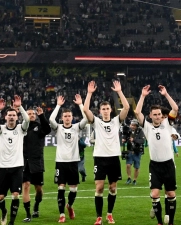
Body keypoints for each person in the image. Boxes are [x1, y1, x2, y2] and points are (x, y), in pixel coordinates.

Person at [83, 80, 130, 225]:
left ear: (110, 110)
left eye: (107, 108)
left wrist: (119, 92)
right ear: (100, 111)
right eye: (102, 109)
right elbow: (85, 110)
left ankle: (109, 214)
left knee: (112, 187)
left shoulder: (116, 121)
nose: (105, 110)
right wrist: (89, 94)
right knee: (99, 187)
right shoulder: (96, 121)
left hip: (114, 158)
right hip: (100, 158)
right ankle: (99, 217)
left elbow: (127, 107)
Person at [135, 85, 179, 225]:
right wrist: (142, 96)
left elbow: (175, 109)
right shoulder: (146, 127)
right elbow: (137, 112)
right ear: (150, 116)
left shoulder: (167, 123)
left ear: (162, 115)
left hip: (169, 165)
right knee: (155, 194)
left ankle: (170, 221)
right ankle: (160, 222)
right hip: (155, 166)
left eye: (159, 114)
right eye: (155, 114)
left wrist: (166, 94)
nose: (158, 116)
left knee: (171, 194)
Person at [49, 95, 88, 223]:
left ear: (72, 117)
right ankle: (61, 214)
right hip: (60, 163)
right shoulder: (58, 128)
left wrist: (81, 104)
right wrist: (58, 105)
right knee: (61, 188)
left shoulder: (76, 128)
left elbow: (87, 118)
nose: (67, 118)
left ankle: (69, 206)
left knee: (73, 189)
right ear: (62, 118)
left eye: (69, 116)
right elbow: (50, 119)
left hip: (73, 162)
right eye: (65, 116)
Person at [0, 96, 30, 225]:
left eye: (13, 115)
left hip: (17, 167)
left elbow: (27, 119)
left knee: (15, 194)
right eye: (9, 115)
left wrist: (20, 107)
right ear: (5, 117)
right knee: (0, 197)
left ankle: (11, 222)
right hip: (2, 166)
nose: (11, 117)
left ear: (17, 117)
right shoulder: (1, 129)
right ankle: (4, 212)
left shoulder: (20, 129)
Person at [22, 106, 51, 222]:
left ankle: (36, 206)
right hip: (24, 162)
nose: (31, 115)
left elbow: (48, 130)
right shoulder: (21, 128)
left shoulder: (39, 127)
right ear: (25, 116)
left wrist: (42, 116)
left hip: (37, 162)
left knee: (38, 189)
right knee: (26, 186)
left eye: (33, 114)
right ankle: (28, 214)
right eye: (29, 114)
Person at [125, 120, 145, 185]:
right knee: (128, 165)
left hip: (137, 151)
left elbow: (142, 140)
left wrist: (134, 140)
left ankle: (134, 180)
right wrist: (124, 139)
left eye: (134, 125)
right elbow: (124, 137)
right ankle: (129, 178)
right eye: (131, 125)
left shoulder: (140, 131)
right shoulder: (128, 131)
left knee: (136, 167)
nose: (132, 126)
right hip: (129, 150)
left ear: (137, 126)